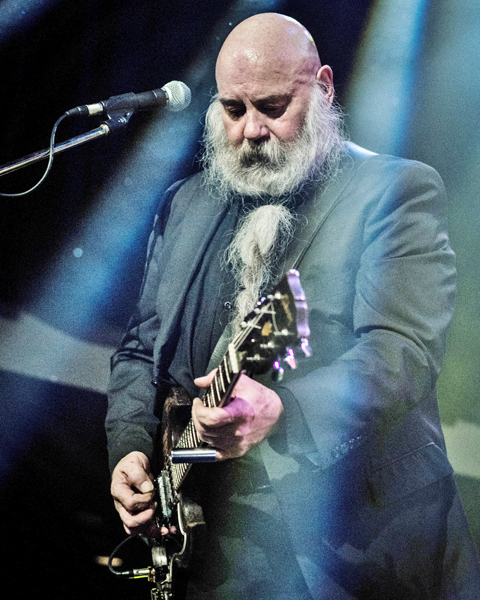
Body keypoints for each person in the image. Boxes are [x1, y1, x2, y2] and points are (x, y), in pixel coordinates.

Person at [106, 12, 480, 599]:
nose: (251, 130)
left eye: (273, 107)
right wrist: (129, 448)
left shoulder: (394, 192)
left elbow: (402, 352)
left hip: (350, 546)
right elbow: (139, 348)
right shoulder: (185, 203)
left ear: (324, 88)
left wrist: (286, 410)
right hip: (204, 544)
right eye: (233, 109)